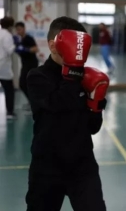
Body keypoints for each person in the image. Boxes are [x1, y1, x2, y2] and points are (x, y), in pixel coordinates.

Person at [25, 16, 109, 211]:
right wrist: (73, 73)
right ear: (53, 46)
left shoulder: (86, 77)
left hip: (82, 165)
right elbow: (57, 104)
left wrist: (96, 103)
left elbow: (93, 128)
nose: (78, 53)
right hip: (46, 167)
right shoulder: (37, 77)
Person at [14, 21, 39, 110]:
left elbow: (36, 49)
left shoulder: (28, 38)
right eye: (17, 30)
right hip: (25, 64)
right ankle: (31, 102)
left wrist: (26, 49)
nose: (18, 31)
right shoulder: (18, 40)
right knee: (22, 84)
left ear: (24, 29)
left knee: (28, 84)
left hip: (31, 64)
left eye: (20, 29)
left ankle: (34, 104)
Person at [0, 16, 16, 119]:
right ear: (10, 25)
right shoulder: (7, 35)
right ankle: (10, 113)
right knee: (9, 89)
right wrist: (15, 44)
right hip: (3, 65)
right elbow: (9, 50)